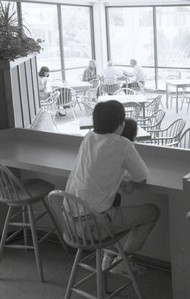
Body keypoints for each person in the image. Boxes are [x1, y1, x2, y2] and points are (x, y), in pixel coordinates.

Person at [65, 100, 160, 276]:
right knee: (152, 212)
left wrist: (120, 177)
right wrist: (126, 179)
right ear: (120, 124)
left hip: (69, 221)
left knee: (115, 202)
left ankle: (111, 256)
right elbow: (141, 179)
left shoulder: (88, 138)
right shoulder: (123, 144)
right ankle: (122, 261)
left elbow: (98, 168)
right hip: (92, 226)